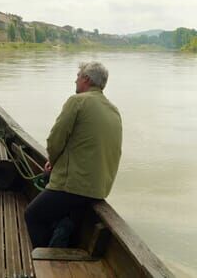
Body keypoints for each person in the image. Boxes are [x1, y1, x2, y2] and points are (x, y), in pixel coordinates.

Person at [24, 61, 123, 248]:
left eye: (78, 76)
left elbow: (55, 140)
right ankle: (63, 228)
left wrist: (52, 161)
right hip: (99, 188)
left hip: (74, 187)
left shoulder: (77, 101)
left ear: (86, 79)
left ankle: (47, 260)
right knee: (55, 195)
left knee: (33, 216)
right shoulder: (113, 109)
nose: (75, 80)